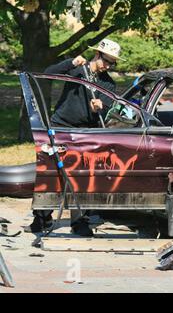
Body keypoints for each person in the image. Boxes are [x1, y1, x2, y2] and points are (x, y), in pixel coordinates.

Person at [25, 38, 124, 236]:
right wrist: (69, 63)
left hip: (86, 132)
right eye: (107, 60)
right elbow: (48, 74)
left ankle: (79, 221)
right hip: (60, 126)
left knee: (83, 176)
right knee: (51, 173)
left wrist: (101, 108)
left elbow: (107, 112)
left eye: (113, 63)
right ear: (97, 54)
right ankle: (42, 218)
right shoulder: (78, 69)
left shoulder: (108, 84)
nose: (108, 66)